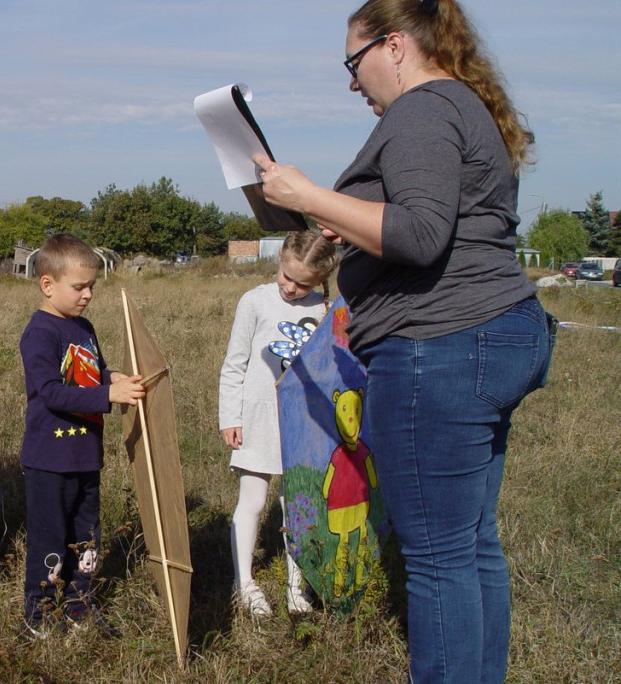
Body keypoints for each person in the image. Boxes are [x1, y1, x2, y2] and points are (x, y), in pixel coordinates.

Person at [252, 0, 553, 681]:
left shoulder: (420, 110)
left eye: (353, 64)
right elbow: (433, 222)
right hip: (491, 333)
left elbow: (420, 234)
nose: (352, 83)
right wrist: (343, 224)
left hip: (441, 347)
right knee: (471, 544)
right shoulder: (460, 106)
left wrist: (307, 193)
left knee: (440, 557)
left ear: (395, 46)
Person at [18, 233, 145, 638]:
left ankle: (78, 603)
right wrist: (109, 394)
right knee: (49, 537)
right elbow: (51, 391)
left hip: (85, 454)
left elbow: (87, 375)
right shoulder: (39, 333)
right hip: (48, 460)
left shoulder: (83, 327)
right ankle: (38, 610)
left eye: (92, 286)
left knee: (86, 536)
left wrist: (113, 378)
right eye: (79, 287)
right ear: (47, 284)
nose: (88, 294)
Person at [219, 230, 339, 616]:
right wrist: (230, 417)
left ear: (320, 279)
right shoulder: (255, 300)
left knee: (299, 504)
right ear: (280, 260)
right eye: (285, 276)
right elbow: (235, 363)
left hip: (305, 424)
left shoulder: (326, 311)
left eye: (302, 282)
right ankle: (245, 582)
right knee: (252, 501)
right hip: (258, 419)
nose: (289, 287)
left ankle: (296, 586)